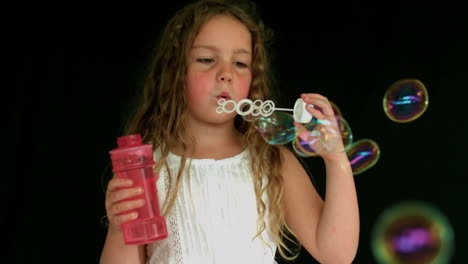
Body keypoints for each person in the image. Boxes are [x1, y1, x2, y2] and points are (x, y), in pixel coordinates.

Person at [100, 0, 359, 263]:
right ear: (176, 72)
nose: (225, 74)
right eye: (207, 59)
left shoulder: (271, 162)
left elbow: (336, 254)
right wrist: (119, 226)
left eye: (240, 63)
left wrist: (336, 160)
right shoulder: (148, 169)